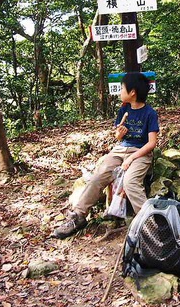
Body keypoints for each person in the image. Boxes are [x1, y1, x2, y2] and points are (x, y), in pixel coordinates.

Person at [53, 72, 159, 239]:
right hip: (120, 150)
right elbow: (118, 137)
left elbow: (151, 143)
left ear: (133, 92)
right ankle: (77, 216)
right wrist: (119, 135)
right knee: (98, 176)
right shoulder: (124, 109)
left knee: (130, 182)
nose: (120, 91)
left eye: (123, 88)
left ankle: (148, 224)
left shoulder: (150, 113)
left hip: (140, 154)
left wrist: (131, 159)